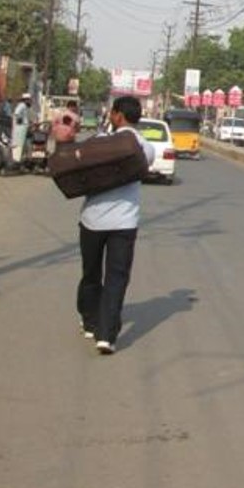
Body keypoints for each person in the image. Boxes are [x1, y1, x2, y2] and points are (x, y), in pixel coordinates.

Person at [71, 96, 156, 355]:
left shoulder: (99, 141)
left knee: (91, 272)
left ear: (118, 115)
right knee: (117, 277)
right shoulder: (145, 146)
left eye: (112, 113)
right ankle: (106, 336)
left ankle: (90, 321)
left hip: (92, 220)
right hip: (125, 222)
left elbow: (77, 161)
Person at [11, 93, 32, 164]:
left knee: (27, 144)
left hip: (24, 128)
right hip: (21, 129)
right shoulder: (22, 106)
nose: (30, 101)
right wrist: (20, 123)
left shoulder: (25, 107)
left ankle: (26, 159)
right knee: (20, 145)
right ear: (26, 100)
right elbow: (16, 115)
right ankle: (18, 160)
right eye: (29, 100)